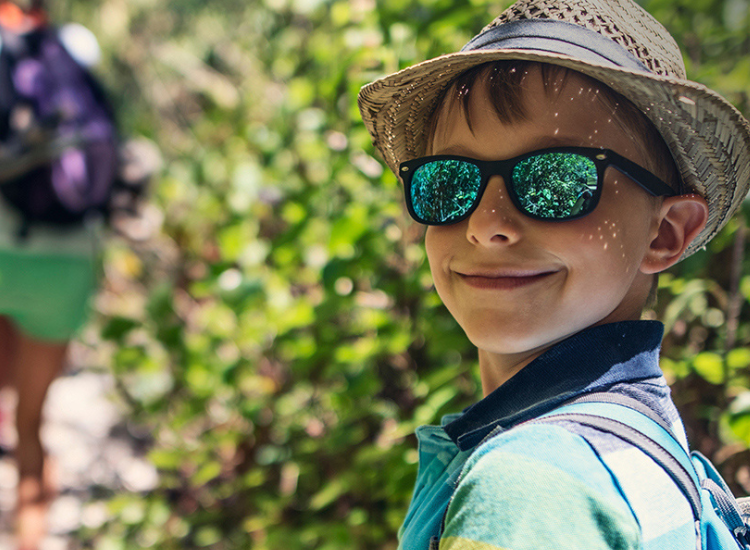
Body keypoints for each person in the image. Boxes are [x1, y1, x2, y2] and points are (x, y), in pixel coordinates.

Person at [358, 0, 750, 548]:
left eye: (555, 180)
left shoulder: (527, 488)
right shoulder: (638, 445)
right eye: (449, 182)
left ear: (665, 234)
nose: (486, 224)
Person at [0, 3, 106, 549]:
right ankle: (29, 539)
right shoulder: (77, 45)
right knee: (32, 423)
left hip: (2, 250)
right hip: (67, 259)